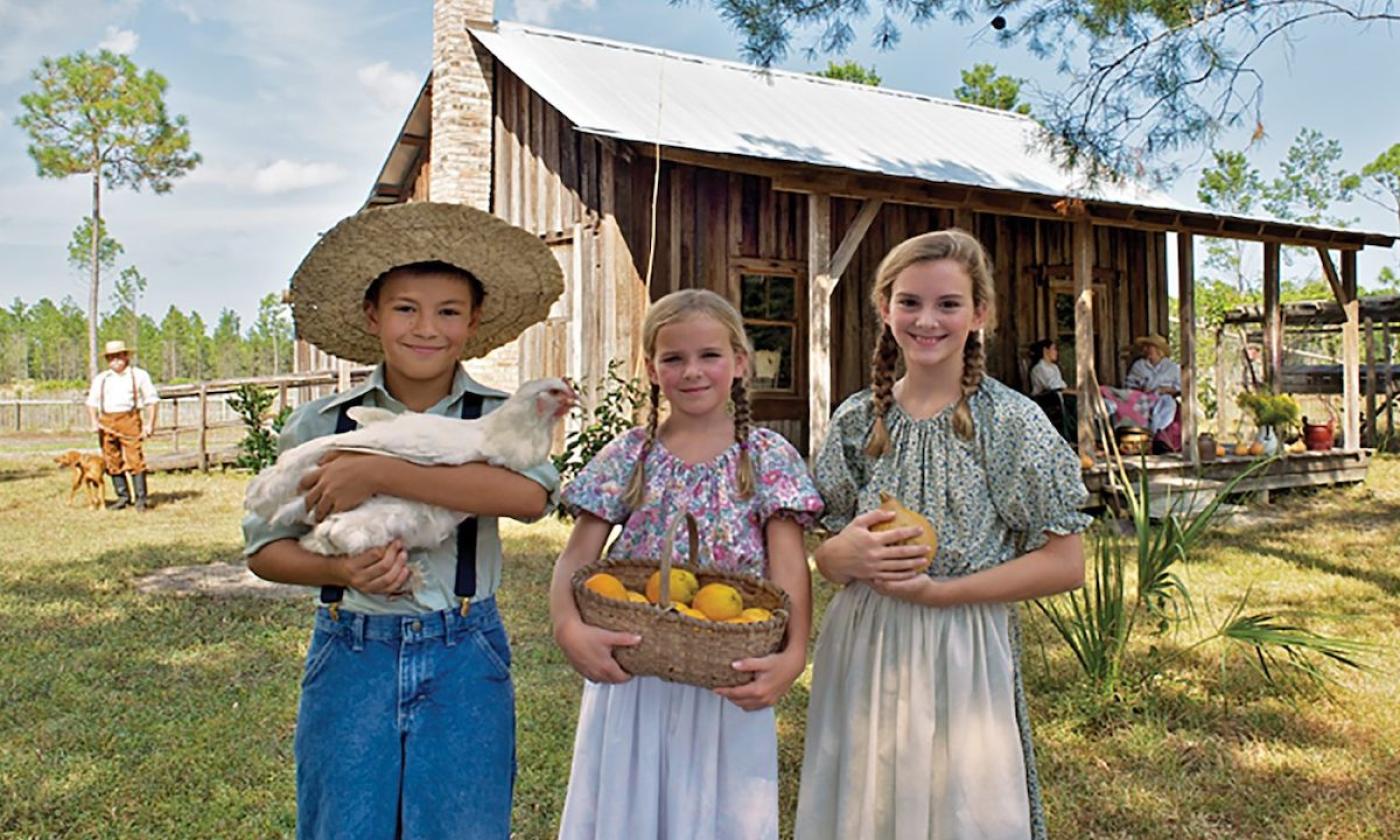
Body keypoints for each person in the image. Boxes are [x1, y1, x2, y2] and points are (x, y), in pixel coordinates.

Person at [242, 202, 564, 840]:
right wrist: (339, 568)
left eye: (448, 312)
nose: (427, 328)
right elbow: (263, 550)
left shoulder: (503, 416)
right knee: (346, 823)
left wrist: (378, 472)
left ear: (472, 324)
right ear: (373, 317)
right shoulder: (322, 423)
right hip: (350, 647)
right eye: (405, 308)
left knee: (462, 824)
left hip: (463, 651)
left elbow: (527, 499)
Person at [794, 229, 1090, 840]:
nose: (927, 320)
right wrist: (837, 556)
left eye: (948, 304)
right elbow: (828, 555)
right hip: (865, 642)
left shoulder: (1009, 421)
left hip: (962, 644)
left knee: (962, 805)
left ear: (980, 313)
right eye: (910, 302)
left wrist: (941, 594)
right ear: (885, 308)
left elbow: (1065, 563)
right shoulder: (857, 420)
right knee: (868, 800)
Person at [550, 288, 823, 840]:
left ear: (740, 362)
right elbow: (577, 557)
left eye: (710, 356)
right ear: (651, 369)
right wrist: (567, 627)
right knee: (629, 808)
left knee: (722, 815)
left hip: (730, 672)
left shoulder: (767, 457)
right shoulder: (630, 454)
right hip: (634, 670)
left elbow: (790, 567)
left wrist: (792, 655)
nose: (692, 371)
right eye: (674, 358)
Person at [85, 339, 159, 511]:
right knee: (112, 460)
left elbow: (152, 400)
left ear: (126, 357)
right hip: (107, 422)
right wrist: (94, 422)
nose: (115, 361)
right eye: (111, 357)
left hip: (130, 420)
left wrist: (150, 424)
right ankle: (123, 497)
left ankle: (140, 499)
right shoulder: (101, 379)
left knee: (135, 459)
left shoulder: (139, 375)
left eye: (118, 356)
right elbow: (91, 403)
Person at [1099, 333, 1182, 449]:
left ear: (1158, 350)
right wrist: (1141, 388)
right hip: (1143, 397)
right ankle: (1132, 434)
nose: (1146, 350)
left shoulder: (1172, 367)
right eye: (1145, 347)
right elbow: (1129, 386)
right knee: (1122, 400)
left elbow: (1179, 388)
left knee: (1168, 403)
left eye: (1149, 347)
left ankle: (1157, 433)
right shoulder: (1139, 366)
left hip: (1163, 397)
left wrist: (1165, 390)